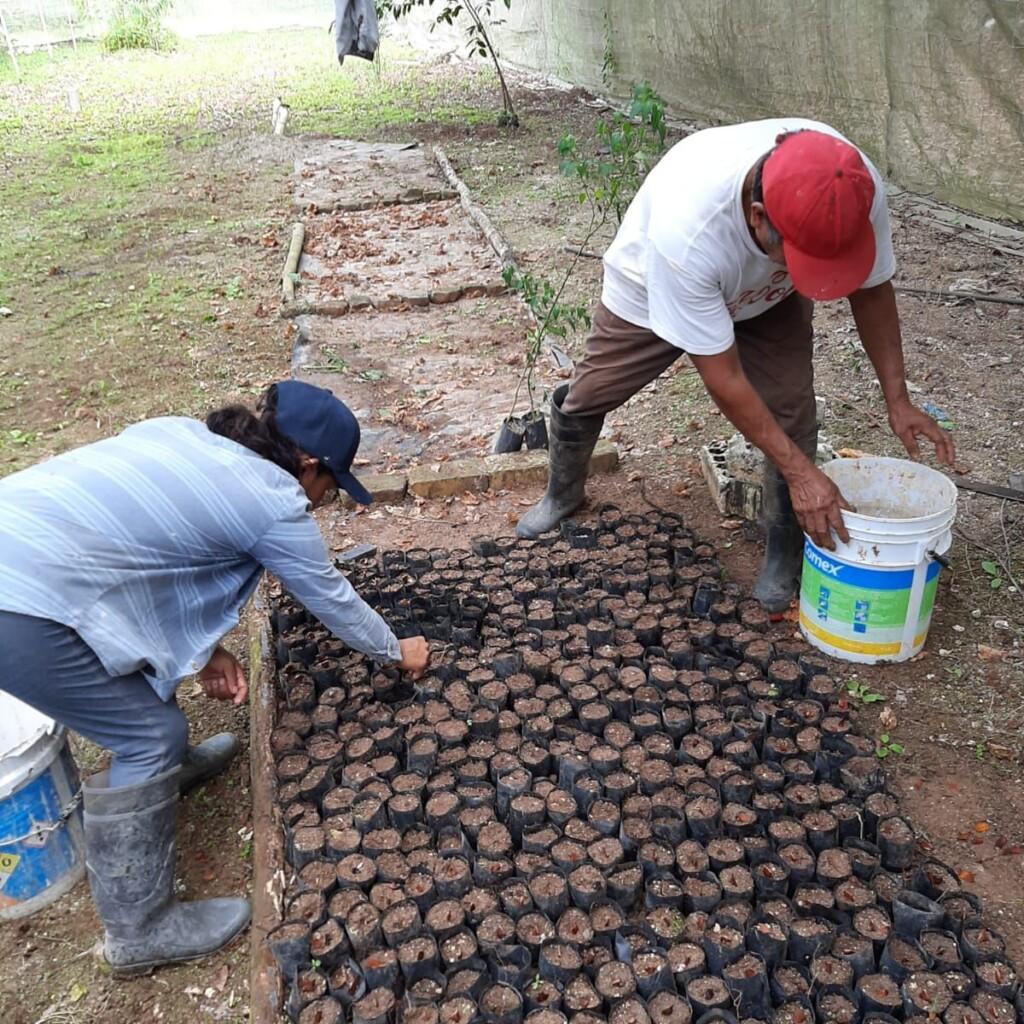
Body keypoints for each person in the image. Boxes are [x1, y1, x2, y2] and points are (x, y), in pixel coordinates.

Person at [0, 380, 430, 973]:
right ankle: (139, 930)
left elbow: (148, 566)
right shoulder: (272, 502)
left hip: (25, 550)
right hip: (17, 601)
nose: (322, 502)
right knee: (148, 735)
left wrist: (205, 653)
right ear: (308, 465)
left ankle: (160, 774)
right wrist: (397, 650)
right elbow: (332, 599)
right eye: (329, 489)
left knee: (150, 724)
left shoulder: (186, 435)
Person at [518, 119, 955, 610]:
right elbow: (724, 378)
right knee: (591, 392)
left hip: (766, 300)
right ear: (757, 216)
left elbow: (872, 289)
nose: (810, 275)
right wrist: (804, 475)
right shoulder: (688, 232)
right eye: (800, 257)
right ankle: (563, 493)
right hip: (654, 287)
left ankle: (783, 558)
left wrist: (898, 400)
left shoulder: (850, 185)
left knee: (791, 410)